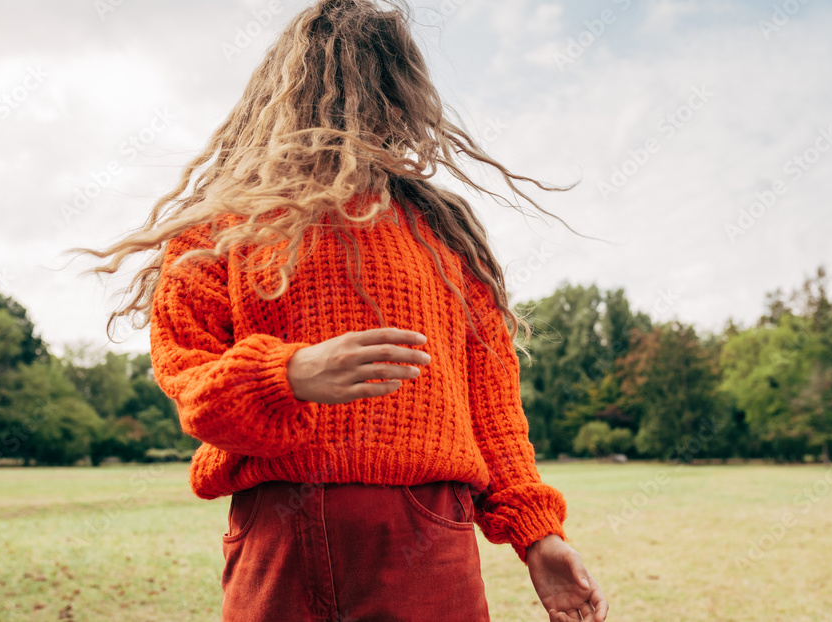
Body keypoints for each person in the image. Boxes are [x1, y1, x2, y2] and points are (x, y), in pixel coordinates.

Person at [75, 1, 608, 620]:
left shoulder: (443, 232)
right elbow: (193, 387)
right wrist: (287, 375)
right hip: (279, 532)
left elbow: (492, 406)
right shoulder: (219, 229)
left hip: (424, 525)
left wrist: (538, 535)